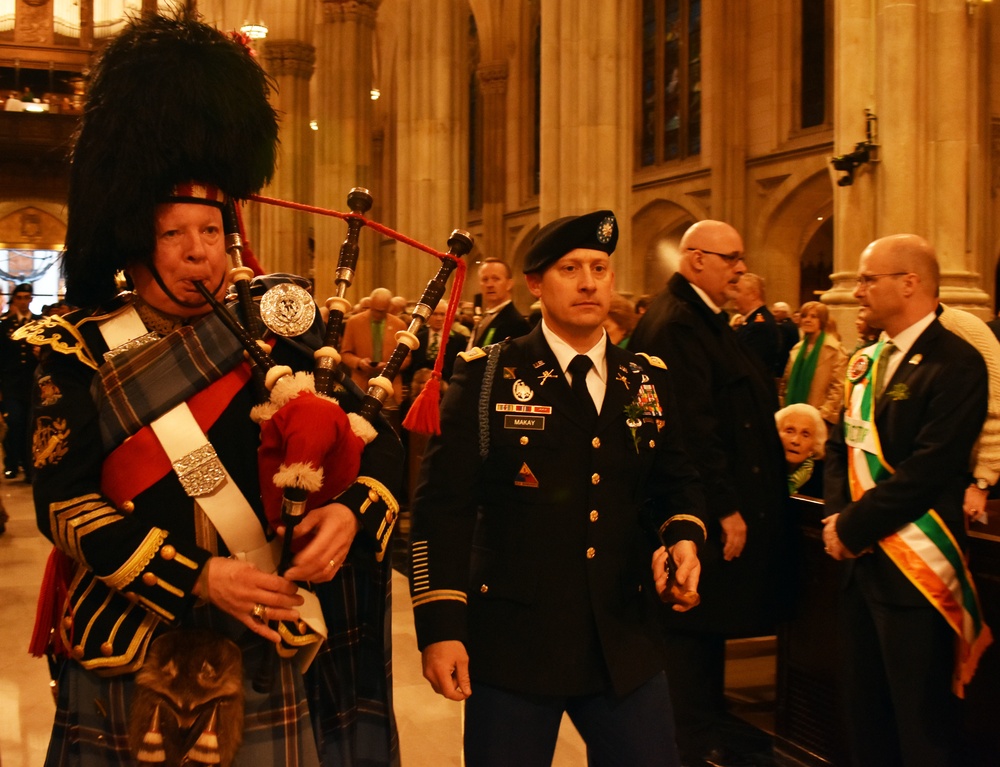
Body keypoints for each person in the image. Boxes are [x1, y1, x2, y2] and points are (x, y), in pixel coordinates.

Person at [17, 15, 403, 766]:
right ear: (137, 244)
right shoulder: (71, 347)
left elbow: (376, 438)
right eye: (175, 234)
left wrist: (354, 515)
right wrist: (200, 576)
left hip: (264, 639)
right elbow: (63, 504)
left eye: (211, 231)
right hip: (131, 638)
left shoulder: (271, 332)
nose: (201, 250)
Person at [409, 210, 706, 767]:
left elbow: (676, 483)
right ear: (537, 285)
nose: (590, 282)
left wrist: (683, 539)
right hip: (518, 643)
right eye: (570, 268)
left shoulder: (644, 379)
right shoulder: (489, 377)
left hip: (624, 639)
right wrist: (441, 628)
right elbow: (442, 511)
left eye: (600, 268)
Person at [823, 234, 992, 767]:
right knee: (863, 714)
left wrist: (851, 528)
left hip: (915, 571)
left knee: (919, 723)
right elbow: (838, 447)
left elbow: (929, 468)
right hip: (860, 568)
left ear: (910, 283)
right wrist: (834, 517)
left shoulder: (955, 362)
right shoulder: (865, 361)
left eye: (869, 279)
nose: (858, 290)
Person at [629, 219, 788, 767]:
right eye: (732, 258)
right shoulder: (677, 323)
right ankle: (684, 749)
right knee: (689, 641)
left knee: (705, 637)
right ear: (697, 260)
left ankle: (697, 741)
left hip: (710, 507)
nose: (741, 268)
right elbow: (693, 428)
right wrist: (724, 506)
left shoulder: (703, 318)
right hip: (698, 513)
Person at [779, 301, 848, 427]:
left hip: (819, 419)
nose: (807, 320)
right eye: (804, 316)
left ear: (822, 321)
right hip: (791, 415)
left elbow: (838, 387)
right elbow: (786, 382)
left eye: (813, 316)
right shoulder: (797, 349)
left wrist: (823, 414)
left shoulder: (834, 349)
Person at [341, 287, 409, 407]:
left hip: (390, 386)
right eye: (375, 310)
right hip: (361, 383)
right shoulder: (354, 322)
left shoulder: (399, 324)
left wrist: (389, 366)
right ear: (370, 304)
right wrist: (359, 362)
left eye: (381, 311)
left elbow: (407, 357)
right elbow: (345, 353)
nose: (377, 314)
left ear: (389, 307)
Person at [0, 282, 40, 481]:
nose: (24, 302)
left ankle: (28, 466)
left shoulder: (40, 323)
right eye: (20, 298)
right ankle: (12, 463)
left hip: (33, 383)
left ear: (31, 299)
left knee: (30, 425)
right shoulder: (5, 325)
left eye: (27, 298)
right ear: (14, 300)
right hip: (11, 384)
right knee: (14, 422)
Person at [467, 257, 530, 348]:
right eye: (485, 279)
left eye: (496, 279)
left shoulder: (516, 323)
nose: (489, 285)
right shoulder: (485, 318)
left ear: (509, 284)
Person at [733, 273, 783, 377]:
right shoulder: (753, 320)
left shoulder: (760, 326)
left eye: (738, 291)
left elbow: (747, 366)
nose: (734, 296)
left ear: (753, 295)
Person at [406, 299, 465, 383]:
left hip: (447, 384)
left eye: (442, 314)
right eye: (435, 314)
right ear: (428, 316)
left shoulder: (458, 340)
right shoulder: (417, 338)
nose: (439, 318)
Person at [775, 402, 826, 498]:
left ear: (814, 446)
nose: (796, 441)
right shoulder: (759, 468)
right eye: (789, 431)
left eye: (805, 435)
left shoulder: (823, 480)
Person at [772, 300, 800, 364]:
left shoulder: (783, 326)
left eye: (776, 312)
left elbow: (781, 347)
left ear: (784, 312)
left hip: (783, 361)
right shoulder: (792, 324)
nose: (774, 314)